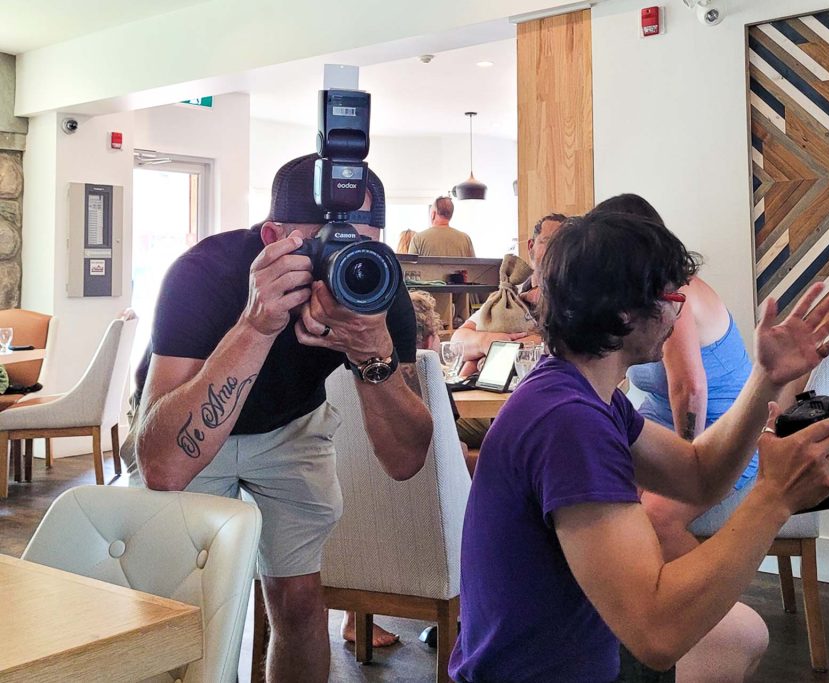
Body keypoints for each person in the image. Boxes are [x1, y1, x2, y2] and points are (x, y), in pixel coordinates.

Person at [449, 211, 829, 682]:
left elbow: (699, 475)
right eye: (668, 297)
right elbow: (656, 633)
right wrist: (772, 498)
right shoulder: (569, 422)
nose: (677, 311)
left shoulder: (587, 396)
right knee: (724, 638)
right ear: (622, 314)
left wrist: (765, 379)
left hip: (581, 660)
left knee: (741, 637)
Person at [130, 154, 433, 683]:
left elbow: (406, 459)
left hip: (294, 423)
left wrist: (371, 352)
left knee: (298, 603)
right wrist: (257, 324)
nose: (347, 263)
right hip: (187, 418)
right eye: (325, 245)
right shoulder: (206, 273)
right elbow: (164, 468)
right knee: (183, 606)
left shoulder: (377, 287)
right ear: (273, 235)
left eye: (361, 243)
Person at [596, 193, 778, 563]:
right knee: (598, 491)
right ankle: (628, 606)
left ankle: (704, 613)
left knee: (655, 518)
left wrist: (683, 467)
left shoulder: (674, 297)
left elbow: (689, 389)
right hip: (660, 424)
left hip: (727, 435)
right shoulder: (637, 299)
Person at [451, 213, 566, 370]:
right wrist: (488, 342)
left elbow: (575, 345)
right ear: (531, 246)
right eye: (548, 242)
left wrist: (534, 343)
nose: (555, 251)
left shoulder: (575, 298)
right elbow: (457, 341)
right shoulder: (510, 293)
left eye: (563, 245)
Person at [409, 196, 475, 257]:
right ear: (450, 215)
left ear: (433, 214)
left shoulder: (418, 239)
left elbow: (410, 268)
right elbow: (474, 267)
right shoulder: (465, 239)